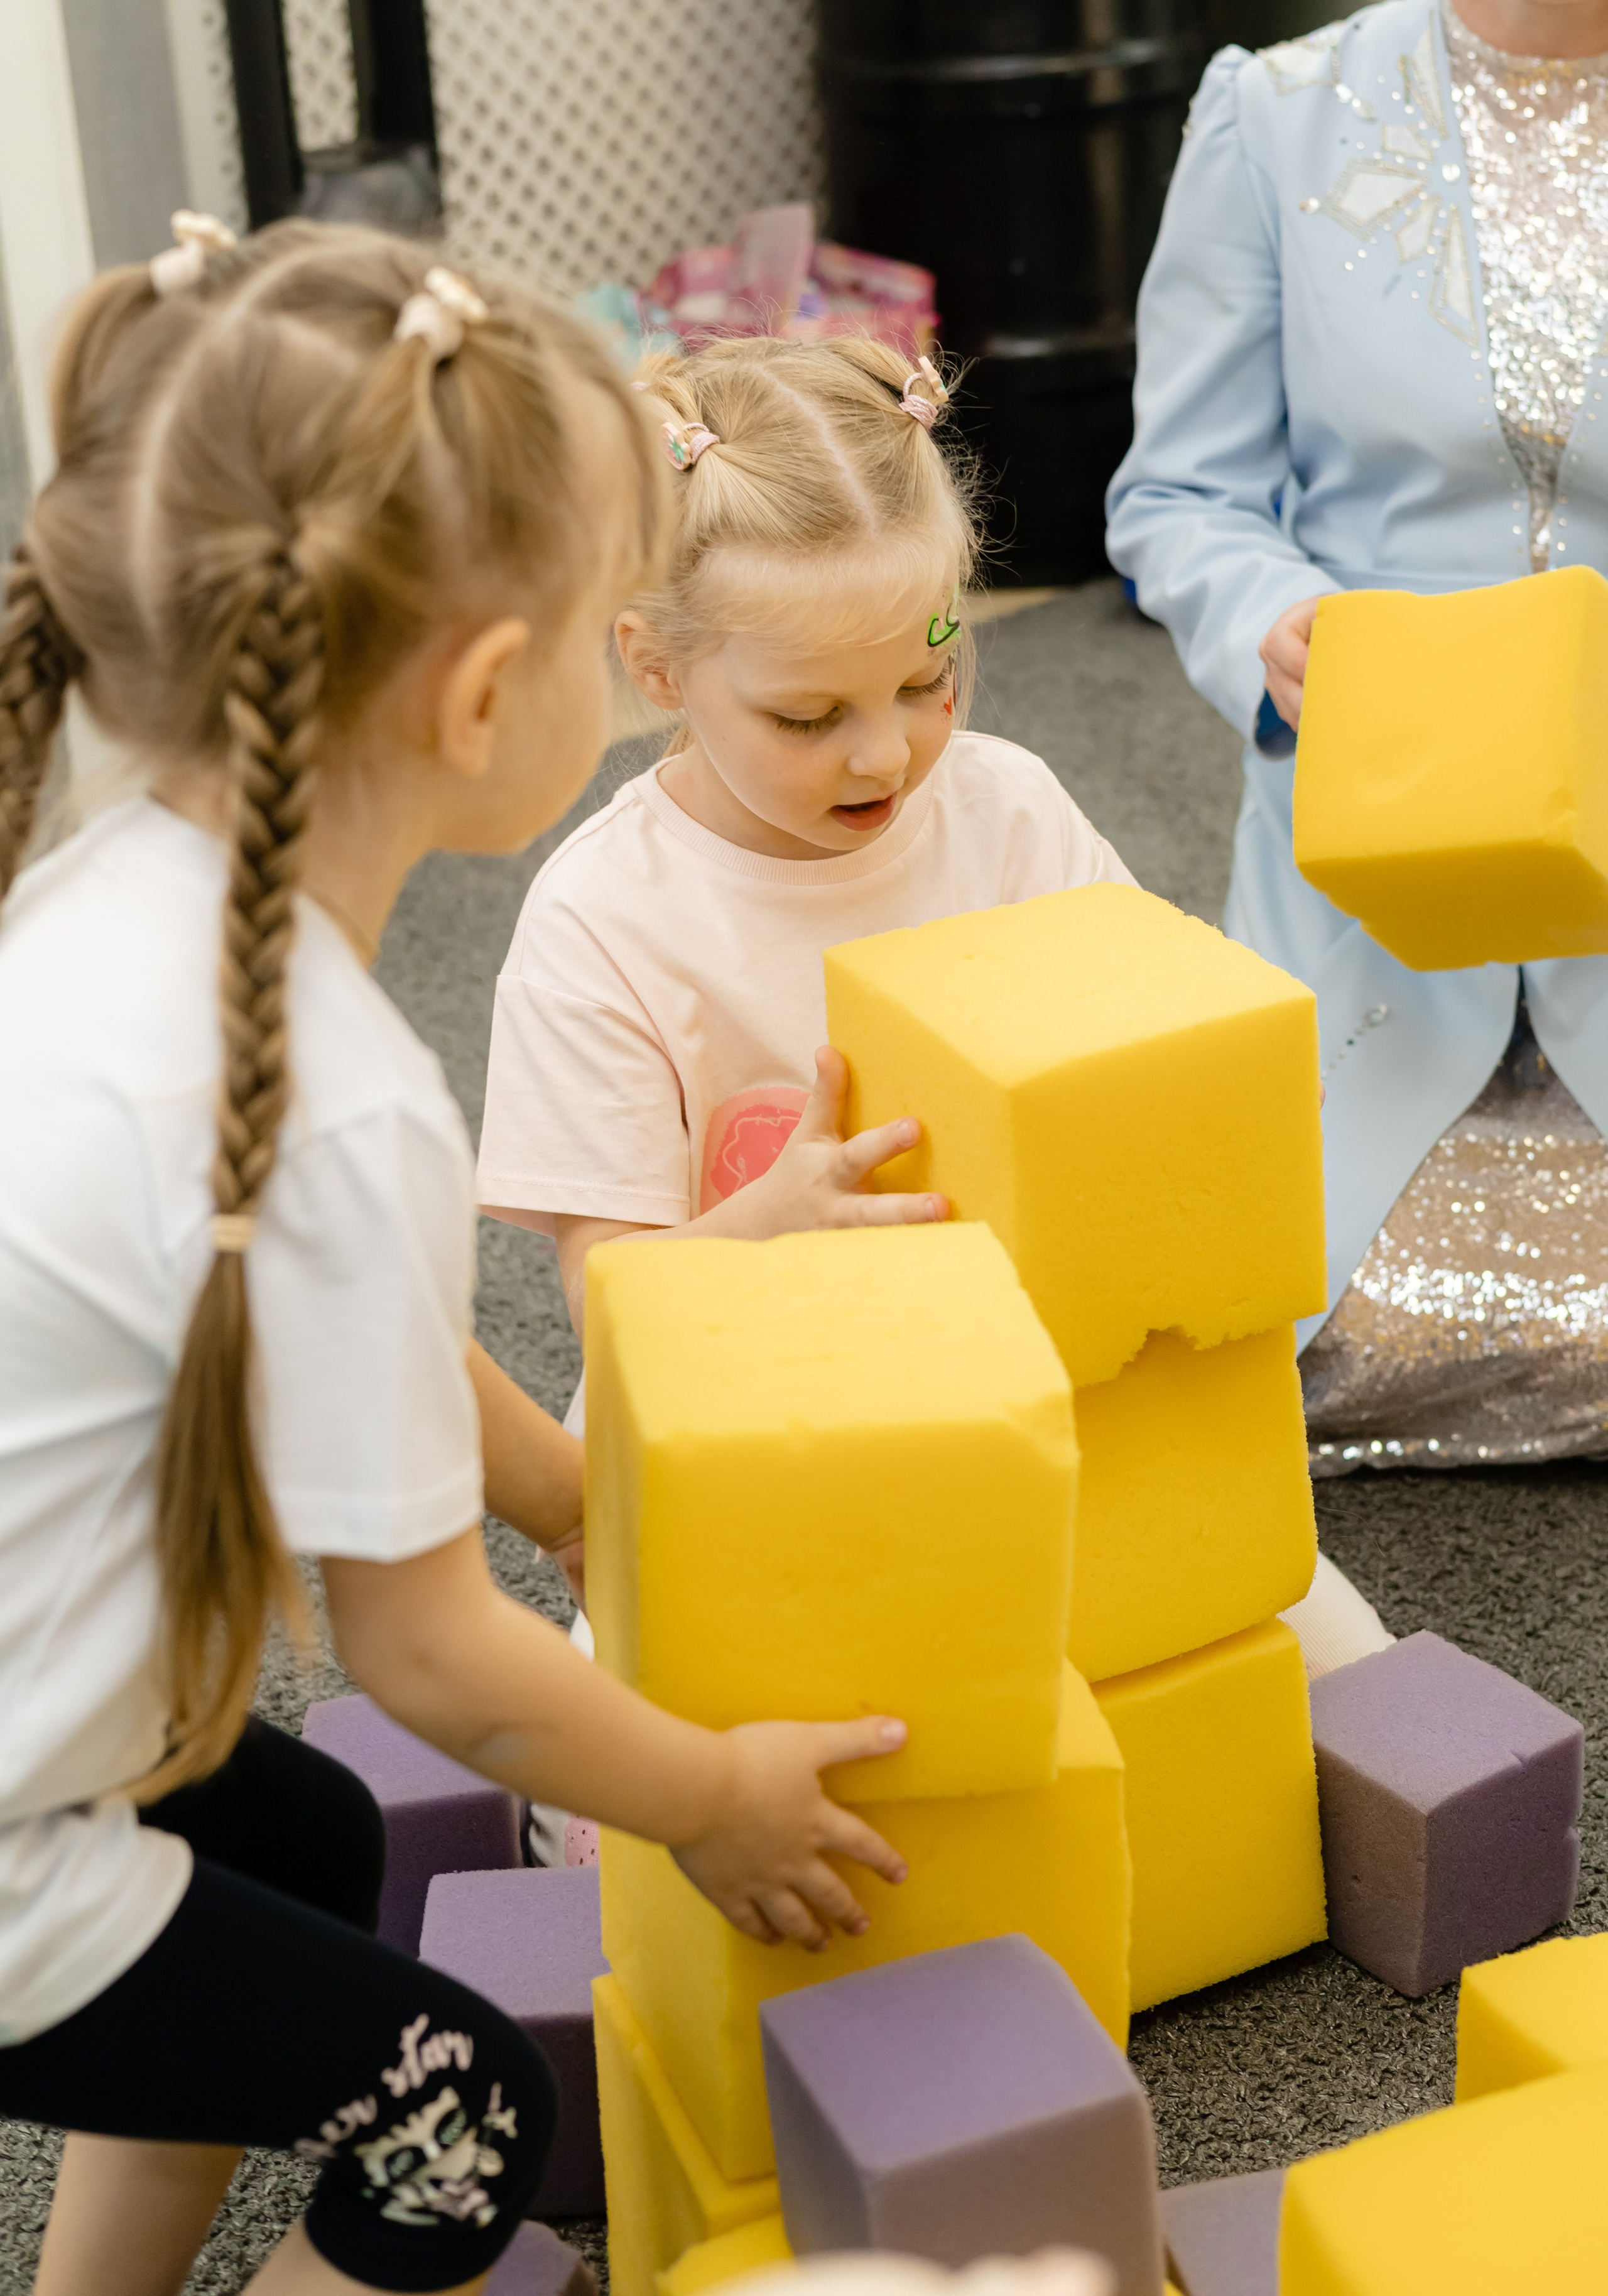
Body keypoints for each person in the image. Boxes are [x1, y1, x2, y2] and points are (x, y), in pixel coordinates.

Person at [0, 219, 913, 2296]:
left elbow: (355, 1330)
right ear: (492, 689)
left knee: (311, 1843)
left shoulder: (109, 900)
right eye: (607, 626)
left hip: (37, 1719)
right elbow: (428, 1660)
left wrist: (573, 1492)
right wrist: (711, 1796)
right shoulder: (337, 1094)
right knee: (459, 2112)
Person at [1107, 0, 1608, 1474]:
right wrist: (1268, 622)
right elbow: (1178, 498)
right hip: (1367, 870)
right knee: (1280, 1335)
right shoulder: (1273, 112)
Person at [475, 335, 1134, 1356]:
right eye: (807, 717)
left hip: (995, 1364)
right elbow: (607, 1308)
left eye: (925, 681)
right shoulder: (599, 922)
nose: (884, 757)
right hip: (748, 1393)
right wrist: (767, 1229)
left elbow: (1135, 1033)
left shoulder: (1009, 812)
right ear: (658, 671)